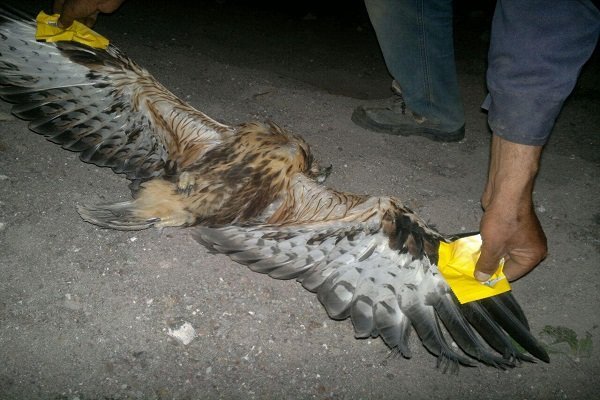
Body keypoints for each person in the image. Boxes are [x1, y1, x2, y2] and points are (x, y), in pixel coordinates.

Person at [54, 0, 600, 283]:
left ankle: (428, 106)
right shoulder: (247, 156)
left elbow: (547, 19)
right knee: (123, 75)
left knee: (397, 232)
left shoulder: (283, 173)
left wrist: (503, 201)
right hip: (183, 193)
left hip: (181, 194)